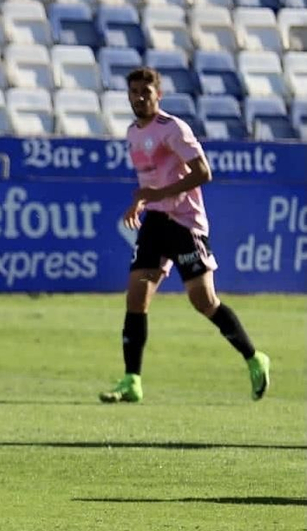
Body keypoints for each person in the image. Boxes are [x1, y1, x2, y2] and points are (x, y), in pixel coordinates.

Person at [100, 68, 269, 404]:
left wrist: (155, 193)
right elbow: (149, 184)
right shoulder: (133, 132)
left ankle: (254, 357)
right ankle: (132, 380)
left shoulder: (172, 129)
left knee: (203, 301)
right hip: (155, 222)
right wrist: (141, 202)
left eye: (145, 92)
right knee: (136, 297)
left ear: (157, 95)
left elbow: (203, 172)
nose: (139, 97)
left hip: (185, 224)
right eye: (134, 92)